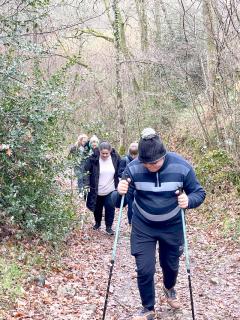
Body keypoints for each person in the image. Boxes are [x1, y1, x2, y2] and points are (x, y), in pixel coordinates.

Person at [112, 128, 206, 320]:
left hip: (172, 226)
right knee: (144, 268)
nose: (151, 166)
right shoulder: (133, 169)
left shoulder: (181, 166)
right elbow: (119, 202)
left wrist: (189, 200)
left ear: (163, 155)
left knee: (170, 265)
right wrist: (119, 192)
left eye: (155, 162)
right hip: (143, 226)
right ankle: (148, 308)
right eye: (146, 163)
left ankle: (169, 287)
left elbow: (199, 192)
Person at [84, 141, 121, 235]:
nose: (104, 155)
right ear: (99, 151)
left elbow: (121, 169)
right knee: (97, 209)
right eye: (102, 153)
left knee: (110, 208)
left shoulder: (115, 157)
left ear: (110, 151)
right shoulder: (93, 158)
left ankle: (109, 227)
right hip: (96, 189)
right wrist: (86, 184)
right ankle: (97, 223)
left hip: (111, 189)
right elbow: (86, 172)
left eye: (106, 153)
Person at [118, 142, 138, 226]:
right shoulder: (124, 160)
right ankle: (131, 222)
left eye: (135, 154)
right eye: (132, 154)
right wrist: (126, 177)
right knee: (131, 205)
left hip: (138, 186)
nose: (134, 156)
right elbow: (119, 172)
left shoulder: (141, 160)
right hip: (129, 187)